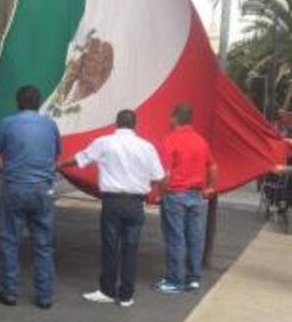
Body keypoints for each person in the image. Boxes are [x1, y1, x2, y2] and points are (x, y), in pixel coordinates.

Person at [59, 110, 165, 307]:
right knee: (131, 249)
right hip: (135, 203)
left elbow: (80, 158)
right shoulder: (147, 147)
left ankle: (107, 290)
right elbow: (159, 177)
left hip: (112, 202)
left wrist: (60, 164)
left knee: (110, 246)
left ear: (116, 123)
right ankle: (126, 296)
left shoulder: (104, 143)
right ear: (135, 125)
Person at [0, 85, 61, 309]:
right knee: (43, 244)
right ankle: (44, 297)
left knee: (10, 241)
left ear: (18, 102)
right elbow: (56, 155)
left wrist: (1, 169)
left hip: (15, 187)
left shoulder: (7, 123)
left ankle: (10, 292)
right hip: (42, 189)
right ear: (39, 103)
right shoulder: (50, 125)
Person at [153, 103, 218, 294]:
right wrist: (210, 187)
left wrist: (159, 191)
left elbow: (166, 172)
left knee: (175, 238)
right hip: (196, 195)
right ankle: (193, 278)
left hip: (175, 195)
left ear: (174, 118)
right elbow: (213, 166)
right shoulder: (201, 141)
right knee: (195, 238)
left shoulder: (170, 140)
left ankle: (174, 280)